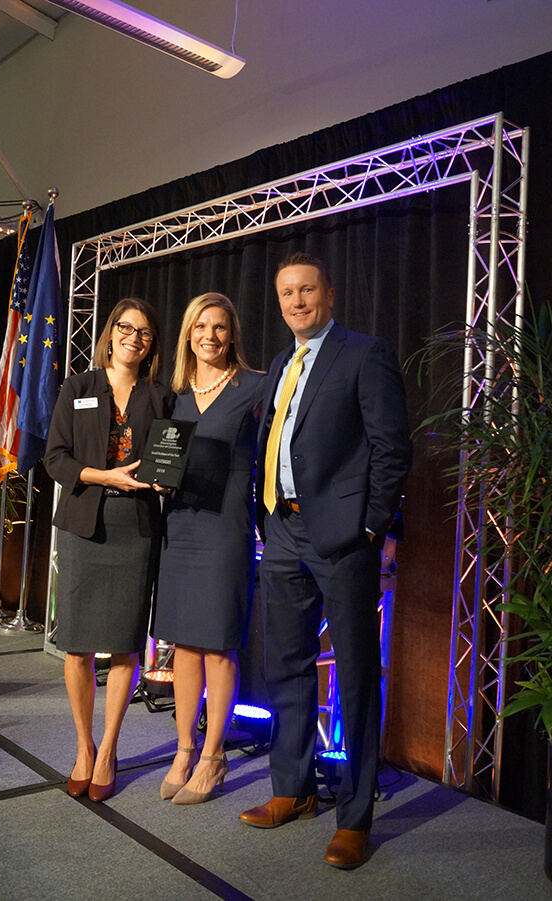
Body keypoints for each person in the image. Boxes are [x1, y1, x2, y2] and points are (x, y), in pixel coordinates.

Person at [239, 253, 412, 869]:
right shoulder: (283, 361)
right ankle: (293, 790)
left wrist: (371, 527)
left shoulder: (365, 354)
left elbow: (393, 447)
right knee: (285, 666)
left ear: (329, 295)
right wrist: (264, 519)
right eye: (287, 292)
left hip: (341, 539)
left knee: (358, 674)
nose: (296, 301)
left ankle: (356, 818)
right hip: (280, 531)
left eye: (307, 290)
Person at [44, 298, 174, 803]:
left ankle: (109, 750)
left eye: (143, 332)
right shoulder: (77, 386)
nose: (133, 338)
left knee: (123, 644)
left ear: (152, 344)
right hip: (82, 523)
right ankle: (83, 746)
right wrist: (103, 476)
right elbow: (55, 457)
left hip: (135, 528)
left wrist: (164, 484)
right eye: (125, 327)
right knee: (77, 644)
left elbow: (167, 464)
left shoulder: (160, 397)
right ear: (110, 332)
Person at [151, 292, 265, 804]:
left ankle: (214, 756)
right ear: (188, 335)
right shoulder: (171, 396)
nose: (210, 336)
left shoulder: (255, 388)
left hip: (225, 530)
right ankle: (183, 747)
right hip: (181, 528)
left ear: (232, 334)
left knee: (217, 645)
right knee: (185, 644)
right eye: (200, 326)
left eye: (220, 327)